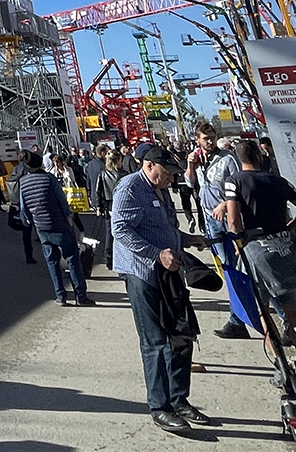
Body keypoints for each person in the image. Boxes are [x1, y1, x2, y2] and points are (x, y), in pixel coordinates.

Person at [111, 143, 212, 434]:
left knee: (181, 335)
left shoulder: (162, 189)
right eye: (167, 173)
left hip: (169, 271)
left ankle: (179, 399)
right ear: (149, 166)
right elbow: (121, 229)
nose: (171, 178)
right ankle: (159, 406)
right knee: (155, 341)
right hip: (143, 273)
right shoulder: (129, 188)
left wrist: (187, 239)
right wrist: (156, 254)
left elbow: (164, 228)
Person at [215, 139, 296, 384]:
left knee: (265, 315)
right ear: (259, 156)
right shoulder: (278, 180)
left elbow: (234, 222)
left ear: (238, 159)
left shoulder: (234, 181)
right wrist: (292, 226)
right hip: (285, 246)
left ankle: (281, 368)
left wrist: (237, 244)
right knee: (293, 312)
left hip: (257, 249)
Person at [189, 125, 249, 341]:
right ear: (197, 140)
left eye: (212, 138)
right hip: (210, 220)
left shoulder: (227, 158)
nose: (210, 142)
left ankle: (240, 320)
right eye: (206, 138)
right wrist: (190, 164)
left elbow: (240, 186)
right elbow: (190, 183)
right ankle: (238, 319)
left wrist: (226, 204)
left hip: (228, 219)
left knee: (238, 269)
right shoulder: (198, 161)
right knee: (227, 270)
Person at [18, 151, 91, 307]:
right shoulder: (48, 179)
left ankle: (60, 296)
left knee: (52, 261)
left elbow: (24, 209)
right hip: (59, 224)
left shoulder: (23, 182)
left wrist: (33, 221)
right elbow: (61, 200)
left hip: (41, 227)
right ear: (41, 164)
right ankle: (80, 295)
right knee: (72, 258)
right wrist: (69, 216)